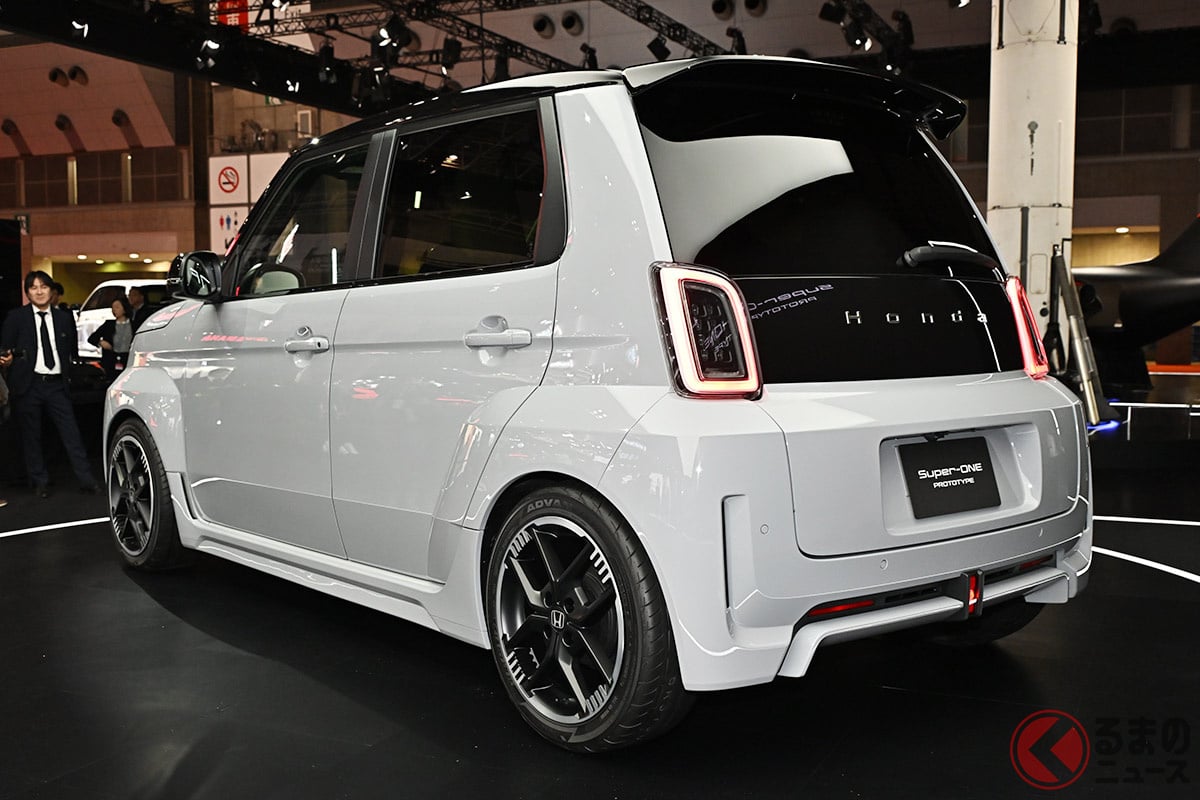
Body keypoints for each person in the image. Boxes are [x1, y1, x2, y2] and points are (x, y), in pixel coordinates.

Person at [0, 271, 99, 497]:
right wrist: (8, 359)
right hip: (29, 384)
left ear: (51, 290)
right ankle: (40, 482)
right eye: (33, 288)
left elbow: (71, 351)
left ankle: (87, 480)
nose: (39, 292)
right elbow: (5, 347)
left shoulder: (64, 318)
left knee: (71, 433)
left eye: (43, 287)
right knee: (31, 436)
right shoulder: (16, 317)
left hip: (57, 385)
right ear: (27, 293)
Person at [88, 296, 134, 382]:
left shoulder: (133, 324)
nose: (114, 310)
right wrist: (101, 342)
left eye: (117, 307)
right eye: (112, 308)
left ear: (124, 308)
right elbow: (92, 338)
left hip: (128, 360)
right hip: (111, 361)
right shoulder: (109, 324)